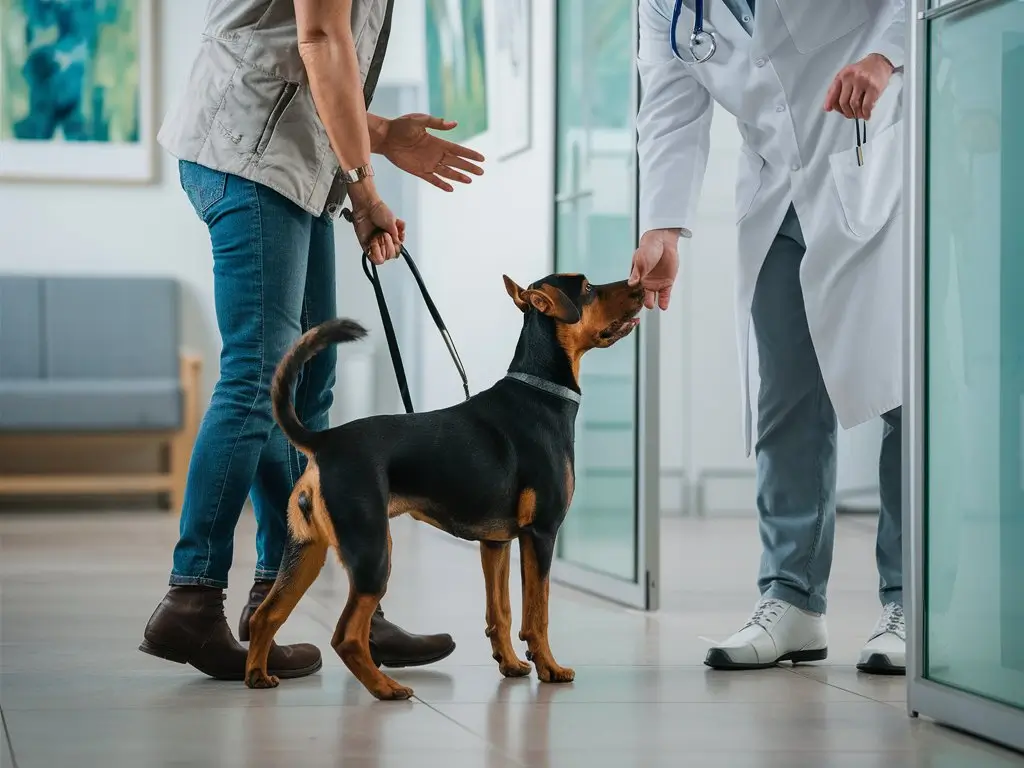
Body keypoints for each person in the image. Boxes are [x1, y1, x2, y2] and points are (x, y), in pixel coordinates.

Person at [139, 0, 485, 681]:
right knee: (258, 379)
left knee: (305, 393)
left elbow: (295, 51)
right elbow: (320, 37)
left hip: (290, 161)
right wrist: (365, 189)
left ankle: (294, 591)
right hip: (253, 157)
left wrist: (377, 134)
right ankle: (192, 595)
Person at [630, 0, 907, 674]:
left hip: (878, 167)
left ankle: (911, 601)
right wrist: (663, 225)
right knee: (787, 399)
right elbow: (670, 103)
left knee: (907, 393)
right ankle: (792, 600)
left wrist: (886, 57)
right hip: (778, 188)